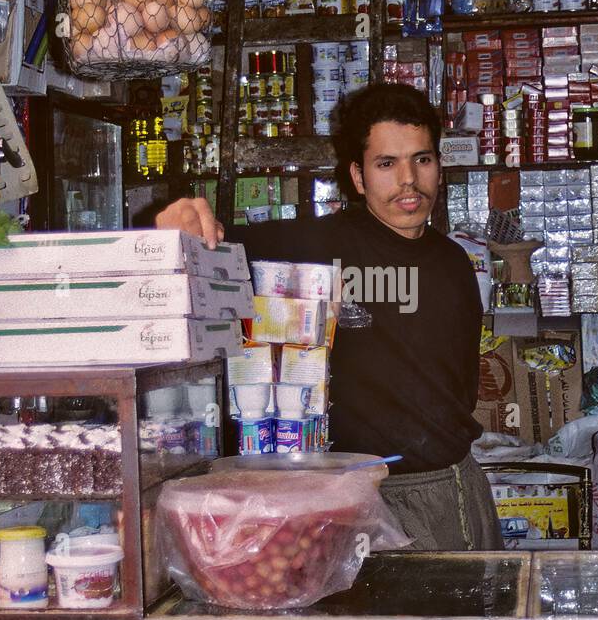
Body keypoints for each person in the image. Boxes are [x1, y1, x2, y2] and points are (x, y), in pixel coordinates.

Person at [155, 82, 502, 551]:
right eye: (386, 164)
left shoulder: (455, 263)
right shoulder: (314, 248)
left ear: (439, 167)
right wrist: (179, 220)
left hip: (448, 491)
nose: (408, 180)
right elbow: (210, 245)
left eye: (421, 159)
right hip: (354, 496)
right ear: (357, 177)